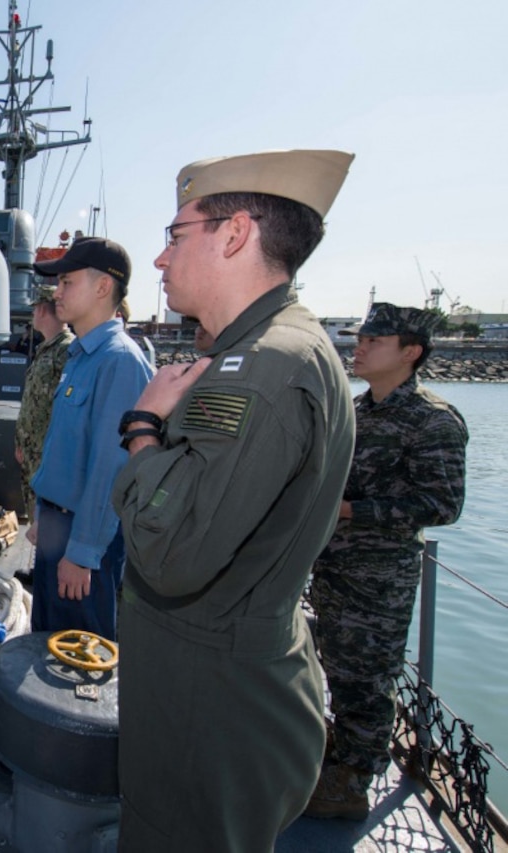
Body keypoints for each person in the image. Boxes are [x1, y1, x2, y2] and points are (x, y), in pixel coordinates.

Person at [111, 149, 356, 851]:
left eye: (174, 234)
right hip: (226, 685)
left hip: (206, 710)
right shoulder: (280, 349)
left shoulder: (262, 368)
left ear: (235, 233)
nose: (159, 260)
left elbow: (170, 551)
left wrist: (143, 429)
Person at [305, 303, 467, 820]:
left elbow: (442, 505)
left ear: (410, 352)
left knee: (369, 677)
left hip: (379, 580)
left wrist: (354, 510)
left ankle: (353, 783)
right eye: (361, 339)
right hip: (333, 568)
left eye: (375, 341)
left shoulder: (432, 421)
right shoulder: (356, 410)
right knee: (337, 666)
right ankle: (339, 755)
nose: (361, 347)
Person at [26, 238, 152, 639]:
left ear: (102, 288)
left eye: (66, 282)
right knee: (45, 643)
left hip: (85, 539)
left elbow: (111, 468)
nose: (57, 292)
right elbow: (65, 446)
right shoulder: (83, 356)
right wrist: (42, 517)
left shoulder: (119, 361)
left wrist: (82, 554)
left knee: (76, 659)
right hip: (57, 527)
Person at [13, 284, 74, 519]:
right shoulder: (46, 349)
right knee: (36, 515)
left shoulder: (66, 351)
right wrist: (21, 442)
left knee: (49, 521)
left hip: (48, 455)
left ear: (41, 310)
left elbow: (67, 408)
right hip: (32, 451)